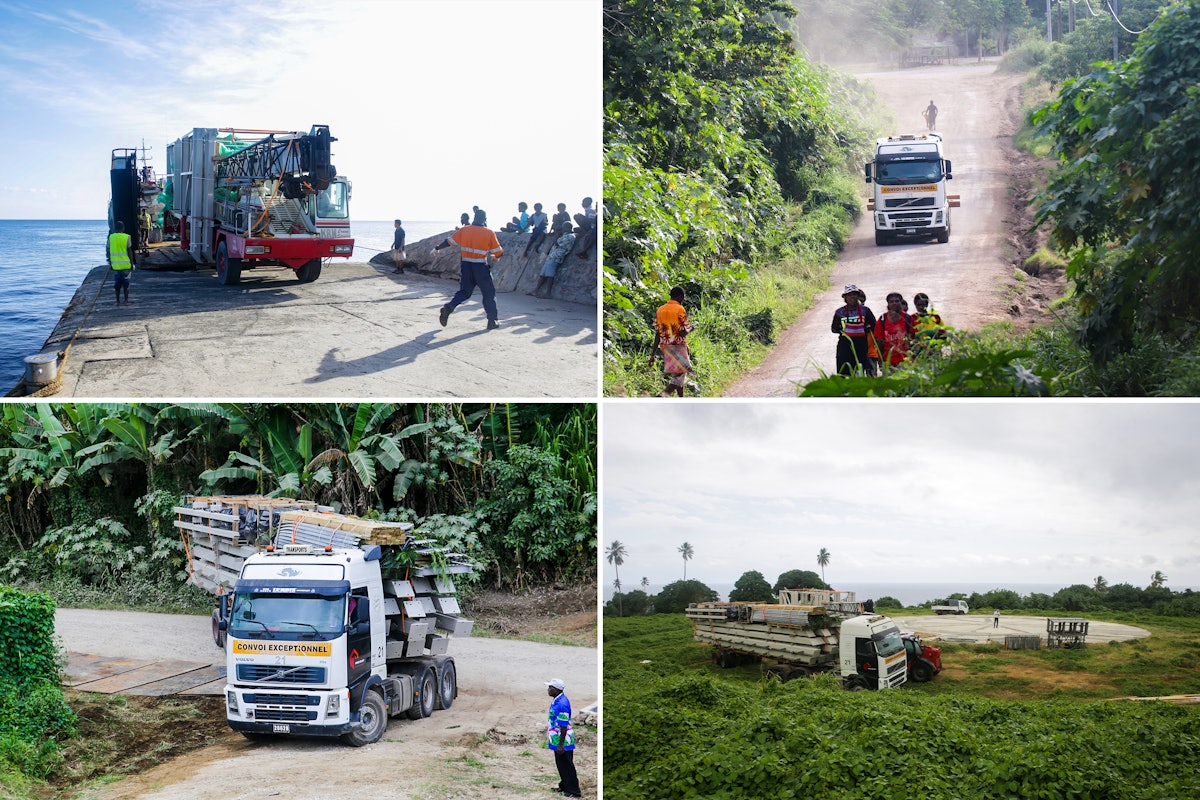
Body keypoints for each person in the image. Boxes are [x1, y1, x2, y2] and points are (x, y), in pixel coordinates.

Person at [432, 209, 504, 330]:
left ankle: (449, 307)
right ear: (485, 219)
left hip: (466, 265)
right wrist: (495, 257)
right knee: (489, 293)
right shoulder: (489, 232)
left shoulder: (464, 230)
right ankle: (492, 321)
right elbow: (499, 252)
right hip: (481, 267)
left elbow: (449, 242)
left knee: (464, 292)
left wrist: (437, 248)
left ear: (474, 217)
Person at [648, 285, 695, 397]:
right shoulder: (680, 309)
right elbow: (683, 332)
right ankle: (661, 396)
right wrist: (691, 328)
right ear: (680, 296)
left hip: (666, 347)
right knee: (680, 375)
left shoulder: (660, 310)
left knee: (678, 377)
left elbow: (658, 334)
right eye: (683, 298)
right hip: (679, 346)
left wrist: (653, 355)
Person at [545, 678, 581, 798]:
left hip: (563, 740)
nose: (548, 689)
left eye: (550, 687)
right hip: (558, 739)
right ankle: (564, 786)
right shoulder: (557, 700)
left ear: (557, 689)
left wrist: (561, 745)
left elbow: (563, 726)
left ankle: (574, 792)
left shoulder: (562, 704)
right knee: (561, 765)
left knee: (567, 765)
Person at [831, 284, 876, 376]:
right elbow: (834, 328)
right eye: (849, 295)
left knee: (861, 371)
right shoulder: (839, 312)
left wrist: (865, 330)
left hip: (862, 345)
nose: (852, 297)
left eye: (855, 294)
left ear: (858, 296)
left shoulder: (865, 311)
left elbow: (874, 324)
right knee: (844, 372)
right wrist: (845, 331)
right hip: (845, 346)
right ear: (845, 297)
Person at [528, 222, 574, 299]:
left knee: (550, 275)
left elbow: (557, 243)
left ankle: (548, 293)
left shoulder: (570, 236)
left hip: (557, 257)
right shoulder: (564, 236)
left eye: (564, 227)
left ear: (567, 228)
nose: (562, 229)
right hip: (552, 256)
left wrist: (558, 236)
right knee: (543, 274)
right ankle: (536, 290)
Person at [873, 292, 914, 368]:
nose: (894, 303)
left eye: (897, 301)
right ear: (888, 304)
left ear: (901, 303)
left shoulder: (907, 318)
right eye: (891, 302)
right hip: (888, 361)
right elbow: (879, 342)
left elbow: (913, 338)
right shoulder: (882, 319)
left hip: (905, 360)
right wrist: (880, 360)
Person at [107, 220, 135, 305]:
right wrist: (132, 263)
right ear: (123, 228)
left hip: (116, 266)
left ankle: (117, 301)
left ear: (115, 228)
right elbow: (129, 251)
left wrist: (110, 262)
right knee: (126, 284)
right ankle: (126, 301)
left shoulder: (111, 237)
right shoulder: (127, 237)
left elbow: (108, 250)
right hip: (126, 265)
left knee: (117, 284)